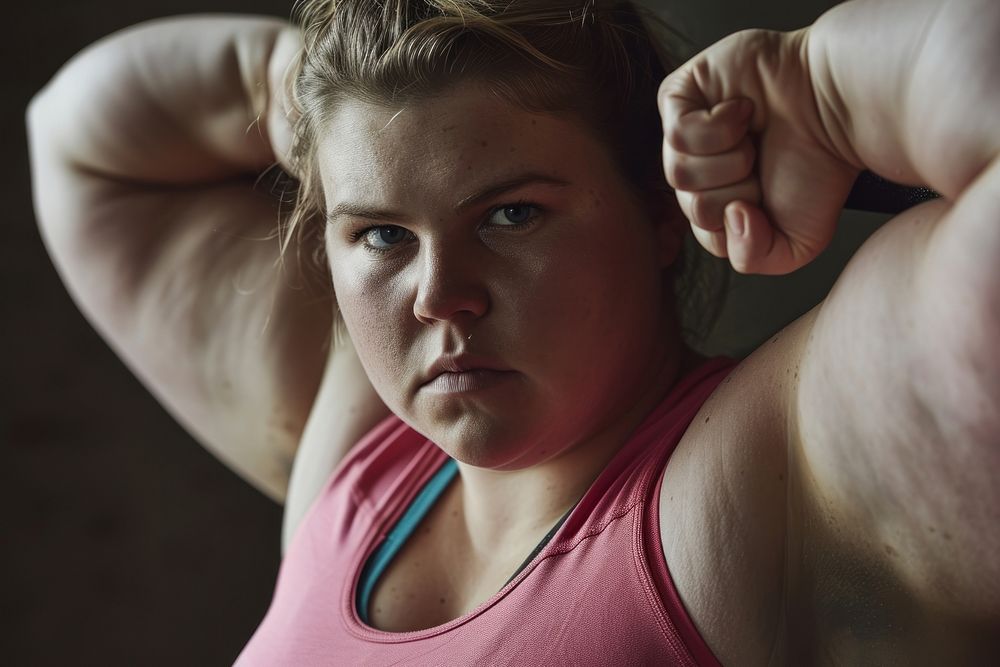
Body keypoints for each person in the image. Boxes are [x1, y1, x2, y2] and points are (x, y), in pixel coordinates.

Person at [25, 0, 999, 663]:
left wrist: (824, 86)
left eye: (511, 215)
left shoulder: (777, 473)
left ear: (659, 209)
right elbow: (76, 136)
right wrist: (306, 97)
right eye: (380, 232)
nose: (441, 296)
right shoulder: (362, 466)